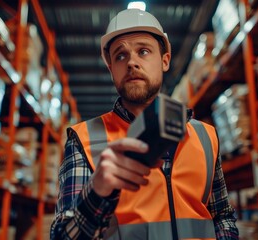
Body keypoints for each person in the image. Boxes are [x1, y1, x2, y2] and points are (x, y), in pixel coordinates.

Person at [50, 8, 239, 240]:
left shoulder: (205, 135)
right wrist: (96, 192)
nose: (131, 62)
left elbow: (222, 216)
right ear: (111, 70)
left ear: (165, 60)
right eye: (120, 56)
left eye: (144, 51)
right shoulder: (85, 138)